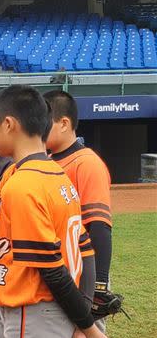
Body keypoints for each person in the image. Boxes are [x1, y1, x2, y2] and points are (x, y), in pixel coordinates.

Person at [0, 85, 110, 338]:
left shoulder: (23, 184)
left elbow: (52, 269)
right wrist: (85, 315)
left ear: (9, 124)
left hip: (35, 315)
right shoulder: (58, 176)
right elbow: (85, 249)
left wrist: (90, 327)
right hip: (63, 311)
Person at [44, 90, 113, 304]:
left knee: (89, 335)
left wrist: (98, 287)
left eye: (44, 123)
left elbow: (99, 226)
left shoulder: (86, 163)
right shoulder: (46, 161)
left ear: (64, 123)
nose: (37, 129)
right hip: (57, 271)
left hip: (82, 273)